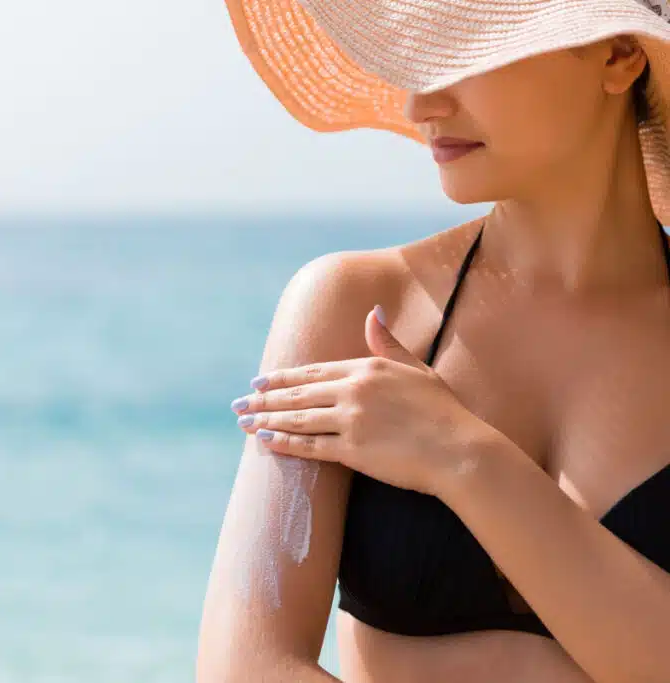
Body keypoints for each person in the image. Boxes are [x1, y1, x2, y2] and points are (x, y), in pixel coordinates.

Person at [196, 1, 670, 682]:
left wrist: (462, 455)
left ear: (620, 54)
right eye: (419, 61)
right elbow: (245, 668)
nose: (422, 104)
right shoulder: (352, 308)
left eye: (469, 52)